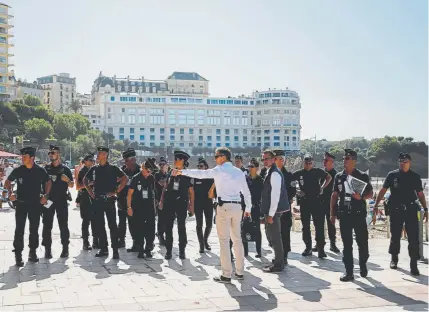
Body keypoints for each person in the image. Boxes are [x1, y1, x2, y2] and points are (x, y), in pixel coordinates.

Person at [173, 147, 252, 283]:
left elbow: (200, 174)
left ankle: (226, 274)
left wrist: (181, 171)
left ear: (223, 157)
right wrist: (248, 208)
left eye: (216, 156)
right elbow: (246, 192)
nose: (215, 159)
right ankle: (240, 272)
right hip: (237, 207)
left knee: (224, 242)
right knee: (237, 240)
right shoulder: (239, 172)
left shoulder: (219, 170)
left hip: (224, 207)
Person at [373, 152, 427, 276]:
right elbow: (383, 190)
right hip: (396, 209)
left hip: (411, 210)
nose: (403, 164)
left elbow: (420, 194)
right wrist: (376, 205)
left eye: (405, 162)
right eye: (401, 162)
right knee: (395, 236)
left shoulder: (415, 176)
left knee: (413, 238)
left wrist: (426, 208)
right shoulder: (392, 175)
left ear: (410, 162)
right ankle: (394, 259)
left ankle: (413, 264)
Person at [1, 147, 51, 266]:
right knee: (19, 230)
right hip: (21, 204)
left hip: (35, 205)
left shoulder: (40, 170)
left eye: (25, 157)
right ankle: (18, 255)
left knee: (34, 230)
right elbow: (8, 182)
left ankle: (32, 252)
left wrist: (46, 196)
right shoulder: (19, 170)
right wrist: (10, 193)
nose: (22, 159)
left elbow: (48, 181)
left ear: (32, 158)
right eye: (22, 156)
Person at [330, 149, 373, 281]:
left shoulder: (362, 176)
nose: (344, 161)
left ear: (354, 161)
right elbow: (335, 195)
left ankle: (363, 264)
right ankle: (349, 272)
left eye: (347, 158)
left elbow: (370, 194)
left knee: (362, 242)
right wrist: (332, 213)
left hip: (358, 214)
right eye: (344, 158)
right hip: (344, 215)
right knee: (347, 244)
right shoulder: (339, 176)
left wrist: (360, 197)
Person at [83, 146, 128, 259]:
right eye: (98, 153)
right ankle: (104, 249)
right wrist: (90, 192)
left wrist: (116, 191)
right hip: (98, 201)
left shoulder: (113, 168)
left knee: (112, 226)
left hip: (109, 201)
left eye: (100, 153)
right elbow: (85, 180)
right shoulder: (94, 169)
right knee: (100, 226)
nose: (98, 155)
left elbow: (125, 178)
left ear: (105, 155)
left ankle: (115, 250)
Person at [292, 154, 332, 258]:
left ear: (312, 163)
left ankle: (321, 249)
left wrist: (322, 187)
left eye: (310, 163)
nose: (308, 165)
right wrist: (297, 190)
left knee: (319, 226)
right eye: (306, 163)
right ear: (303, 163)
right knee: (305, 226)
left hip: (316, 201)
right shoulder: (299, 173)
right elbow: (290, 182)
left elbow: (329, 177)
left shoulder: (317, 171)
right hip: (305, 202)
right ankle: (308, 247)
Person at [159, 151, 194, 260]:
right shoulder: (171, 172)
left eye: (176, 159)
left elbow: (191, 192)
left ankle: (182, 250)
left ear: (183, 161)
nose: (174, 161)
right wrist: (161, 200)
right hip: (169, 202)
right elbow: (165, 187)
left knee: (181, 227)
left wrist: (191, 206)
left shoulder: (187, 174)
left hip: (181, 202)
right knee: (168, 226)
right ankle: (169, 251)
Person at [42, 145, 74, 259]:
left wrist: (68, 180)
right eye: (49, 153)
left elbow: (72, 185)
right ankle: (47, 250)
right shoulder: (45, 169)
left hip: (61, 200)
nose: (51, 155)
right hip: (49, 201)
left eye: (53, 152)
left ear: (59, 154)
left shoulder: (65, 169)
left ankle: (65, 249)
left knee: (63, 226)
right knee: (47, 226)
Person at [261, 150, 290, 273]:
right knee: (272, 235)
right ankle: (278, 260)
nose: (264, 161)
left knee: (275, 236)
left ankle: (279, 264)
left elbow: (275, 195)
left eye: (267, 159)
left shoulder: (274, 173)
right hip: (271, 210)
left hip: (274, 210)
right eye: (263, 159)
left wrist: (271, 214)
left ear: (273, 160)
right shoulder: (270, 171)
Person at [127, 159, 157, 258]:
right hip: (138, 207)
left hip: (149, 208)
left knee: (150, 229)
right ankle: (140, 249)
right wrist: (129, 207)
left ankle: (148, 249)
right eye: (148, 170)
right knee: (139, 229)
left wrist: (154, 207)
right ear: (143, 168)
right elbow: (130, 194)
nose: (149, 173)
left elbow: (152, 193)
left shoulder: (151, 178)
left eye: (150, 171)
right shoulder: (136, 178)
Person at [273, 149, 296, 264]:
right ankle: (277, 254)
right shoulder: (269, 173)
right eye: (278, 159)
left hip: (285, 208)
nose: (281, 161)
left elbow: (293, 191)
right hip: (273, 209)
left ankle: (285, 255)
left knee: (285, 232)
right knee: (274, 232)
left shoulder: (289, 175)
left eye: (283, 159)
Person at [117, 148, 141, 251]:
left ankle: (136, 242)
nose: (125, 163)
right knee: (121, 223)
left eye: (127, 160)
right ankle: (121, 240)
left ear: (133, 160)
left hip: (135, 203)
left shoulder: (140, 171)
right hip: (122, 201)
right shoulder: (122, 171)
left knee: (134, 224)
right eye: (125, 160)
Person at [317, 152, 340, 253]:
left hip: (331, 203)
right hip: (321, 202)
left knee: (331, 224)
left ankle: (333, 244)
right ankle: (319, 243)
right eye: (323, 160)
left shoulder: (336, 175)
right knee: (319, 225)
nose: (324, 162)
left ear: (332, 162)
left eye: (326, 160)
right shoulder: (321, 173)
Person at [243, 158, 263, 258]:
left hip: (256, 208)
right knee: (245, 228)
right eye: (249, 166)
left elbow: (263, 196)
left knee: (257, 229)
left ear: (257, 168)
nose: (250, 168)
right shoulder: (245, 179)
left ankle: (258, 251)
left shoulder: (261, 180)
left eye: (252, 166)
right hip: (246, 208)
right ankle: (245, 251)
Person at [193, 157, 215, 253]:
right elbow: (191, 191)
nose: (199, 168)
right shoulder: (195, 177)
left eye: (201, 166)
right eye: (198, 166)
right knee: (199, 224)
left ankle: (205, 240)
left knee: (209, 224)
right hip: (198, 203)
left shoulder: (211, 178)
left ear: (206, 167)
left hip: (208, 202)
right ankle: (201, 244)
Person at [76, 153, 97, 250]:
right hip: (85, 196)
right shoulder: (82, 171)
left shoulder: (94, 170)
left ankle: (96, 241)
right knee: (86, 220)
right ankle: (85, 242)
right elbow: (78, 186)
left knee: (95, 220)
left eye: (93, 160)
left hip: (94, 196)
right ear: (85, 161)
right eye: (90, 160)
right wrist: (88, 184)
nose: (92, 161)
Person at [154, 157, 169, 246]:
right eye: (160, 164)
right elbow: (162, 183)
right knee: (161, 219)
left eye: (163, 164)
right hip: (159, 199)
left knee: (167, 219)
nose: (162, 166)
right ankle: (160, 236)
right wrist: (169, 181)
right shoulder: (157, 174)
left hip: (168, 200)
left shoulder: (168, 174)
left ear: (167, 165)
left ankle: (160, 233)